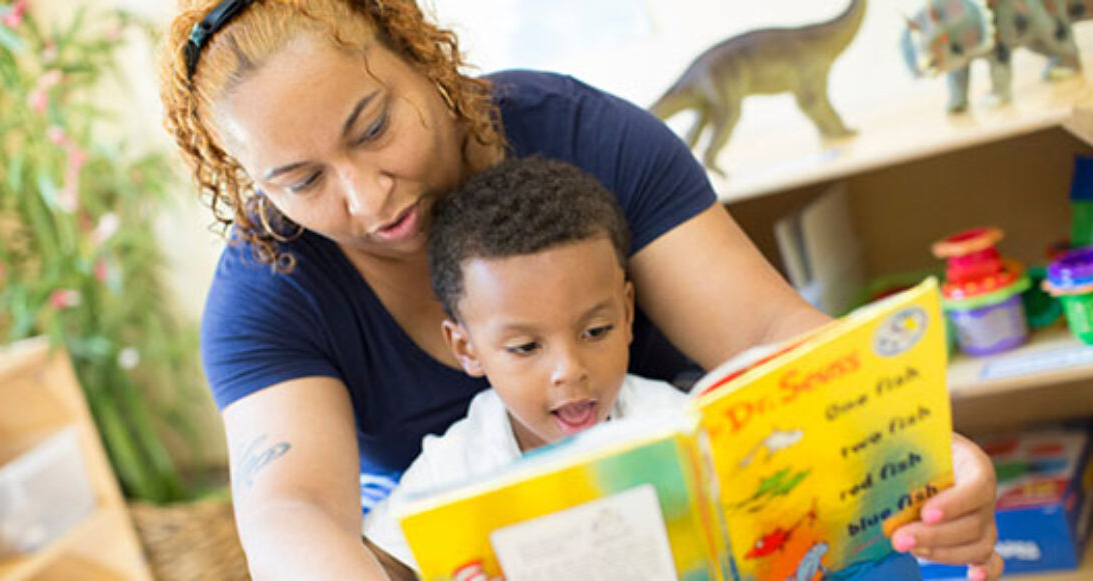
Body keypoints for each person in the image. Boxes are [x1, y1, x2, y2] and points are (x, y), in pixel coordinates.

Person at [158, 1, 1002, 579]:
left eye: (374, 127)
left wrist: (919, 451)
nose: (366, 197)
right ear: (244, 180)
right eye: (300, 179)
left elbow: (769, 330)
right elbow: (293, 512)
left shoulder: (584, 135)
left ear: (419, 53)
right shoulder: (268, 289)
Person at [362, 156, 692, 576]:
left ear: (627, 314)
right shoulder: (454, 470)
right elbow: (377, 563)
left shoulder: (675, 423)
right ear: (466, 348)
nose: (569, 370)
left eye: (595, 331)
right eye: (525, 346)